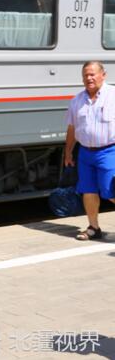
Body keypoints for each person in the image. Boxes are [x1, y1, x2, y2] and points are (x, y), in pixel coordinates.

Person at [64, 60, 115, 240]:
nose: (89, 78)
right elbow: (72, 128)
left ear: (103, 75)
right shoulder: (77, 101)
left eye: (93, 74)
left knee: (111, 190)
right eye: (86, 75)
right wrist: (68, 151)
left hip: (109, 151)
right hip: (85, 152)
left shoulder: (113, 95)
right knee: (88, 190)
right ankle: (94, 227)